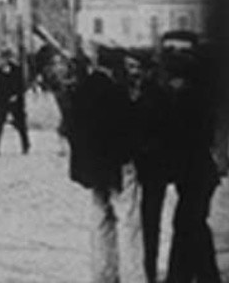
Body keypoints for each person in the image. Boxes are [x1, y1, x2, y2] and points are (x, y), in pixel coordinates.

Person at [68, 45, 144, 283]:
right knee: (128, 223)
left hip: (92, 169)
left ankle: (103, 274)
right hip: (117, 167)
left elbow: (72, 129)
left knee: (100, 220)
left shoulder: (81, 90)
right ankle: (133, 277)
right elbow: (129, 130)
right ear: (115, 67)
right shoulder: (116, 93)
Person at [158, 32, 220, 283]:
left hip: (196, 173)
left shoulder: (192, 96)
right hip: (198, 173)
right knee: (193, 224)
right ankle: (198, 276)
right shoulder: (201, 92)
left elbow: (185, 136)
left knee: (188, 223)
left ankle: (188, 277)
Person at [0, 47, 29, 155]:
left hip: (16, 101)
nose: (4, 60)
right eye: (3, 58)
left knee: (21, 124)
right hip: (2, 102)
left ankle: (26, 145)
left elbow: (21, 85)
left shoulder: (17, 69)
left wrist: (16, 95)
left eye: (7, 57)